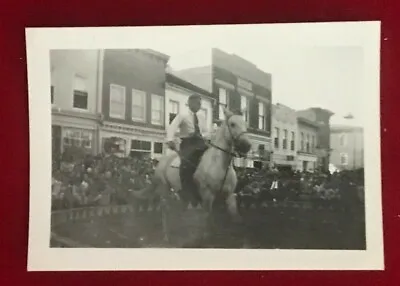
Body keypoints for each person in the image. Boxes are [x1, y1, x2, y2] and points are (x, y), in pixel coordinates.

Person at [166, 94, 210, 206]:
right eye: (197, 103)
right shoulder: (183, 115)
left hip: (200, 142)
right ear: (190, 103)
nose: (199, 106)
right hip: (188, 143)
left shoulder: (201, 117)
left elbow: (205, 131)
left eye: (200, 103)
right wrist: (170, 139)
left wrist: (204, 136)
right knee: (186, 164)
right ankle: (185, 192)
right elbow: (173, 126)